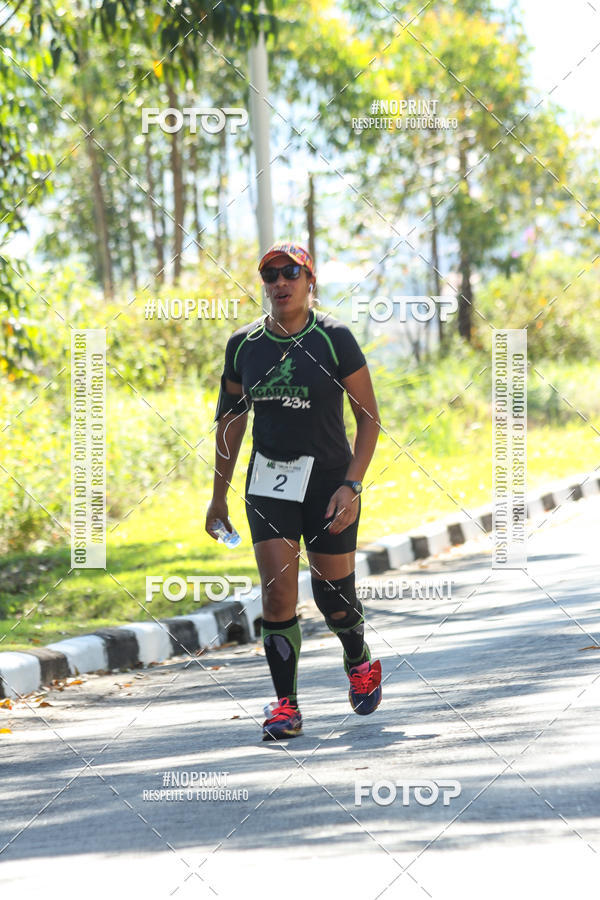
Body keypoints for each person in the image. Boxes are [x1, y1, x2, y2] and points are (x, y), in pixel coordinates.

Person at [205, 241, 382, 740]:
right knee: (278, 594)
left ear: (310, 281)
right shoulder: (243, 345)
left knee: (335, 600)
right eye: (271, 275)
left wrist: (352, 484)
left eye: (290, 274)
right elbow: (231, 421)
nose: (280, 283)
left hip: (329, 485)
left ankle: (358, 658)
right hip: (269, 484)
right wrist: (218, 495)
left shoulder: (333, 338)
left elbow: (368, 418)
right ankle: (287, 706)